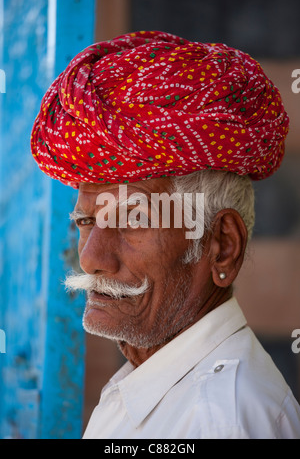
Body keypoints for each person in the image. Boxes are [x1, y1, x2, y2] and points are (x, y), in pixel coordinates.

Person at [31, 30, 300, 439]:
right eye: (86, 221)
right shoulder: (158, 388)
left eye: (133, 220)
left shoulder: (218, 422)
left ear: (222, 246)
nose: (90, 258)